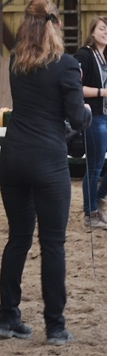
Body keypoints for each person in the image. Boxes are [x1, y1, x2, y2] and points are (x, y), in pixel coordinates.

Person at [0, 0, 92, 346]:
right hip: (48, 161)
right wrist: (89, 112)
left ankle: (7, 317)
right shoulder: (66, 65)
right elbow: (77, 117)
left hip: (13, 158)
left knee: (17, 238)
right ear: (52, 24)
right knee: (53, 244)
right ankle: (55, 325)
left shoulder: (15, 62)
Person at [74, 15, 107, 228]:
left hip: (105, 115)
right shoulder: (85, 55)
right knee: (94, 167)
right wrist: (103, 92)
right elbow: (76, 86)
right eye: (103, 28)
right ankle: (90, 213)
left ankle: (98, 198)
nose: (106, 32)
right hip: (94, 116)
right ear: (92, 32)